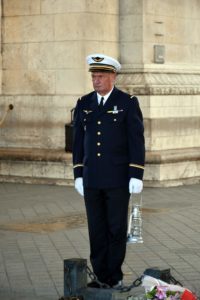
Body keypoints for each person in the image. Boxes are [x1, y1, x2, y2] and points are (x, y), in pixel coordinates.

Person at [72, 53, 145, 288]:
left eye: (101, 76)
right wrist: (78, 174)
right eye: (94, 76)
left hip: (117, 179)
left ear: (113, 76)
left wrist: (136, 173)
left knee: (115, 229)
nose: (96, 80)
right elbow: (78, 142)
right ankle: (101, 275)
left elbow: (136, 141)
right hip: (92, 179)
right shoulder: (84, 103)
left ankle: (114, 276)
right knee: (96, 229)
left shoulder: (127, 103)